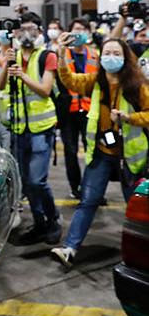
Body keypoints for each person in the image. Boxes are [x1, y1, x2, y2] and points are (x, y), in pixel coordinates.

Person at [51, 34, 149, 268]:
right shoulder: (96, 81)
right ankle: (70, 249)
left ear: (126, 58)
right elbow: (69, 80)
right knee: (87, 201)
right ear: (100, 56)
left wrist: (129, 117)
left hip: (129, 158)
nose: (111, 58)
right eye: (107, 53)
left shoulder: (138, 85)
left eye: (117, 54)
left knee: (137, 207)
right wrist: (62, 54)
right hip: (102, 154)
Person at [0, 12, 61, 245]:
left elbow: (45, 89)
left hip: (41, 128)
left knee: (37, 180)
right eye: (21, 28)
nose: (26, 33)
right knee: (25, 180)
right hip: (19, 128)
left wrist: (22, 75)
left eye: (32, 28)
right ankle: (40, 223)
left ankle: (53, 218)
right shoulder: (12, 55)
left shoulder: (47, 56)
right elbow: (1, 85)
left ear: (39, 31)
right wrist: (7, 63)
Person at [57, 19, 99, 199]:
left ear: (88, 33)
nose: (79, 32)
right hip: (69, 111)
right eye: (76, 29)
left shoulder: (95, 54)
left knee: (93, 150)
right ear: (69, 33)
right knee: (70, 151)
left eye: (83, 29)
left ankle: (93, 188)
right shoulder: (62, 54)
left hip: (91, 110)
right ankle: (76, 187)